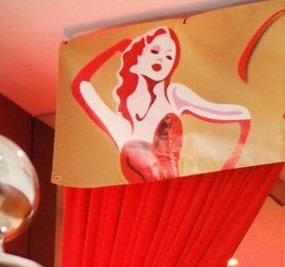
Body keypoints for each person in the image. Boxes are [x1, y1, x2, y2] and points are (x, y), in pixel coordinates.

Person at [72, 26, 251, 182]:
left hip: (178, 195)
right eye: (155, 52)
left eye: (168, 57)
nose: (161, 60)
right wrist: (116, 48)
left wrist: (244, 113)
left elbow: (220, 111)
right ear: (137, 59)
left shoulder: (174, 95)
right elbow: (80, 84)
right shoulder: (121, 127)